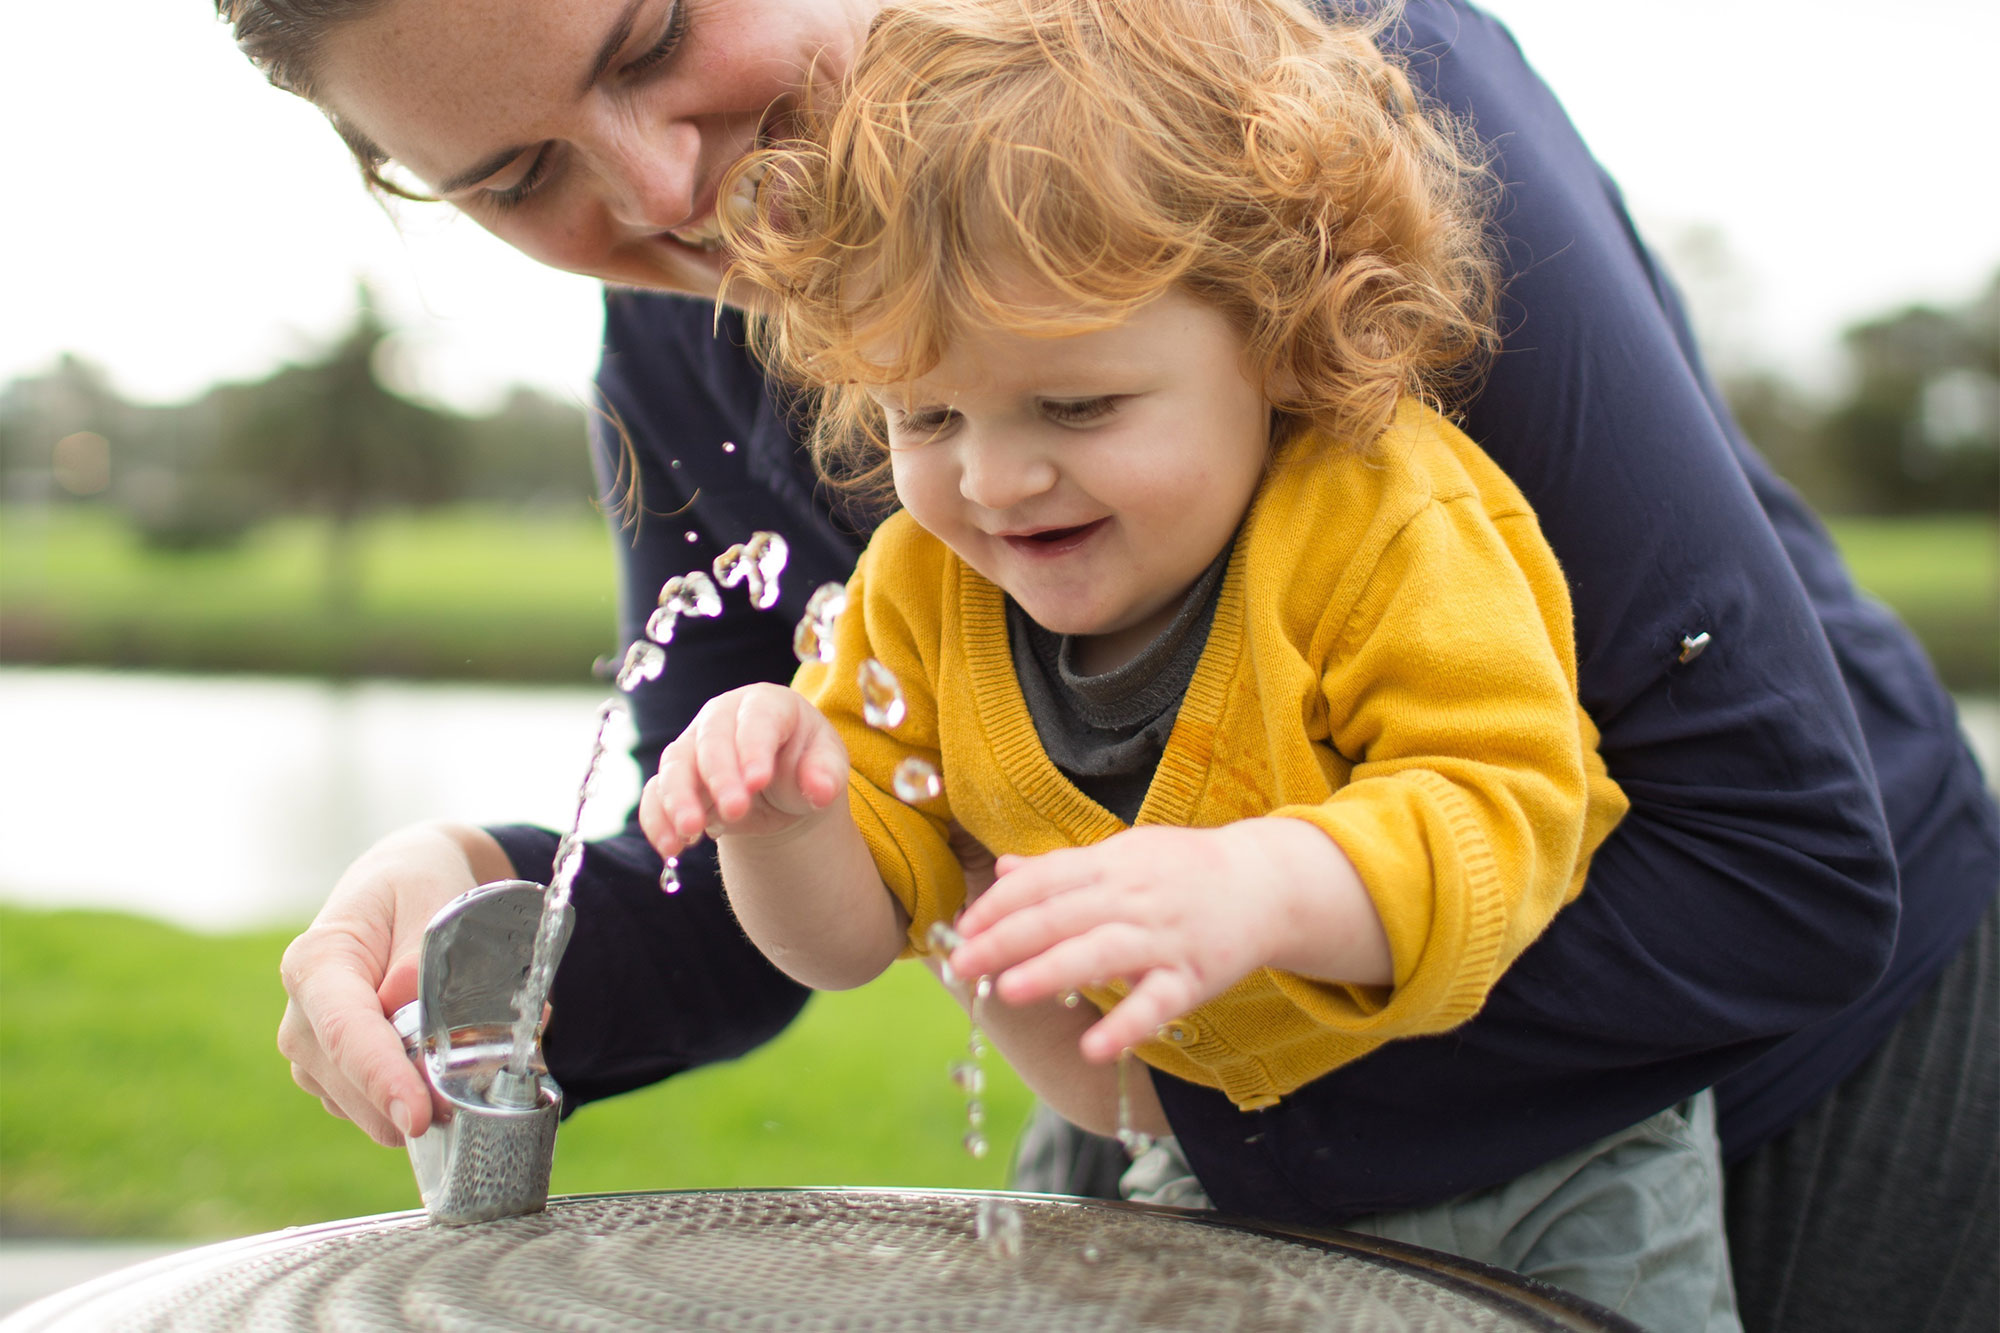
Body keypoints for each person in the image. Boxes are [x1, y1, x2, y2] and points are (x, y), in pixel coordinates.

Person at [233, 0, 1997, 1327]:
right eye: (516, 175)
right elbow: (797, 852)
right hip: (1210, 1125)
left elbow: (1778, 854)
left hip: (1791, 1084)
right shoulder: (681, 331)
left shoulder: (1300, 94)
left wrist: (1174, 1079)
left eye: (657, 34)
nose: (664, 193)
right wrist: (483, 917)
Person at [633, 5, 1747, 1320]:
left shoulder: (1380, 517)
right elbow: (846, 937)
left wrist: (1266, 882)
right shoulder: (922, 593)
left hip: (1551, 1164)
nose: (994, 478)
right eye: (927, 414)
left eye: (1077, 404)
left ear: (1274, 336)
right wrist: (781, 817)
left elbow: (1502, 811)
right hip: (1223, 1166)